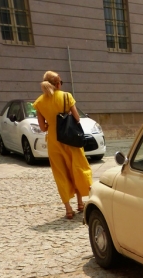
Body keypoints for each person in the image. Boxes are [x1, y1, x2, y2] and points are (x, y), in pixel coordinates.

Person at [33, 71, 92, 219]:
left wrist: (51, 124)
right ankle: (80, 203)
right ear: (58, 83)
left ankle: (68, 209)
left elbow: (42, 127)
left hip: (54, 141)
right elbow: (77, 118)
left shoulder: (39, 102)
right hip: (71, 139)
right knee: (77, 168)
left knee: (61, 173)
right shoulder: (66, 96)